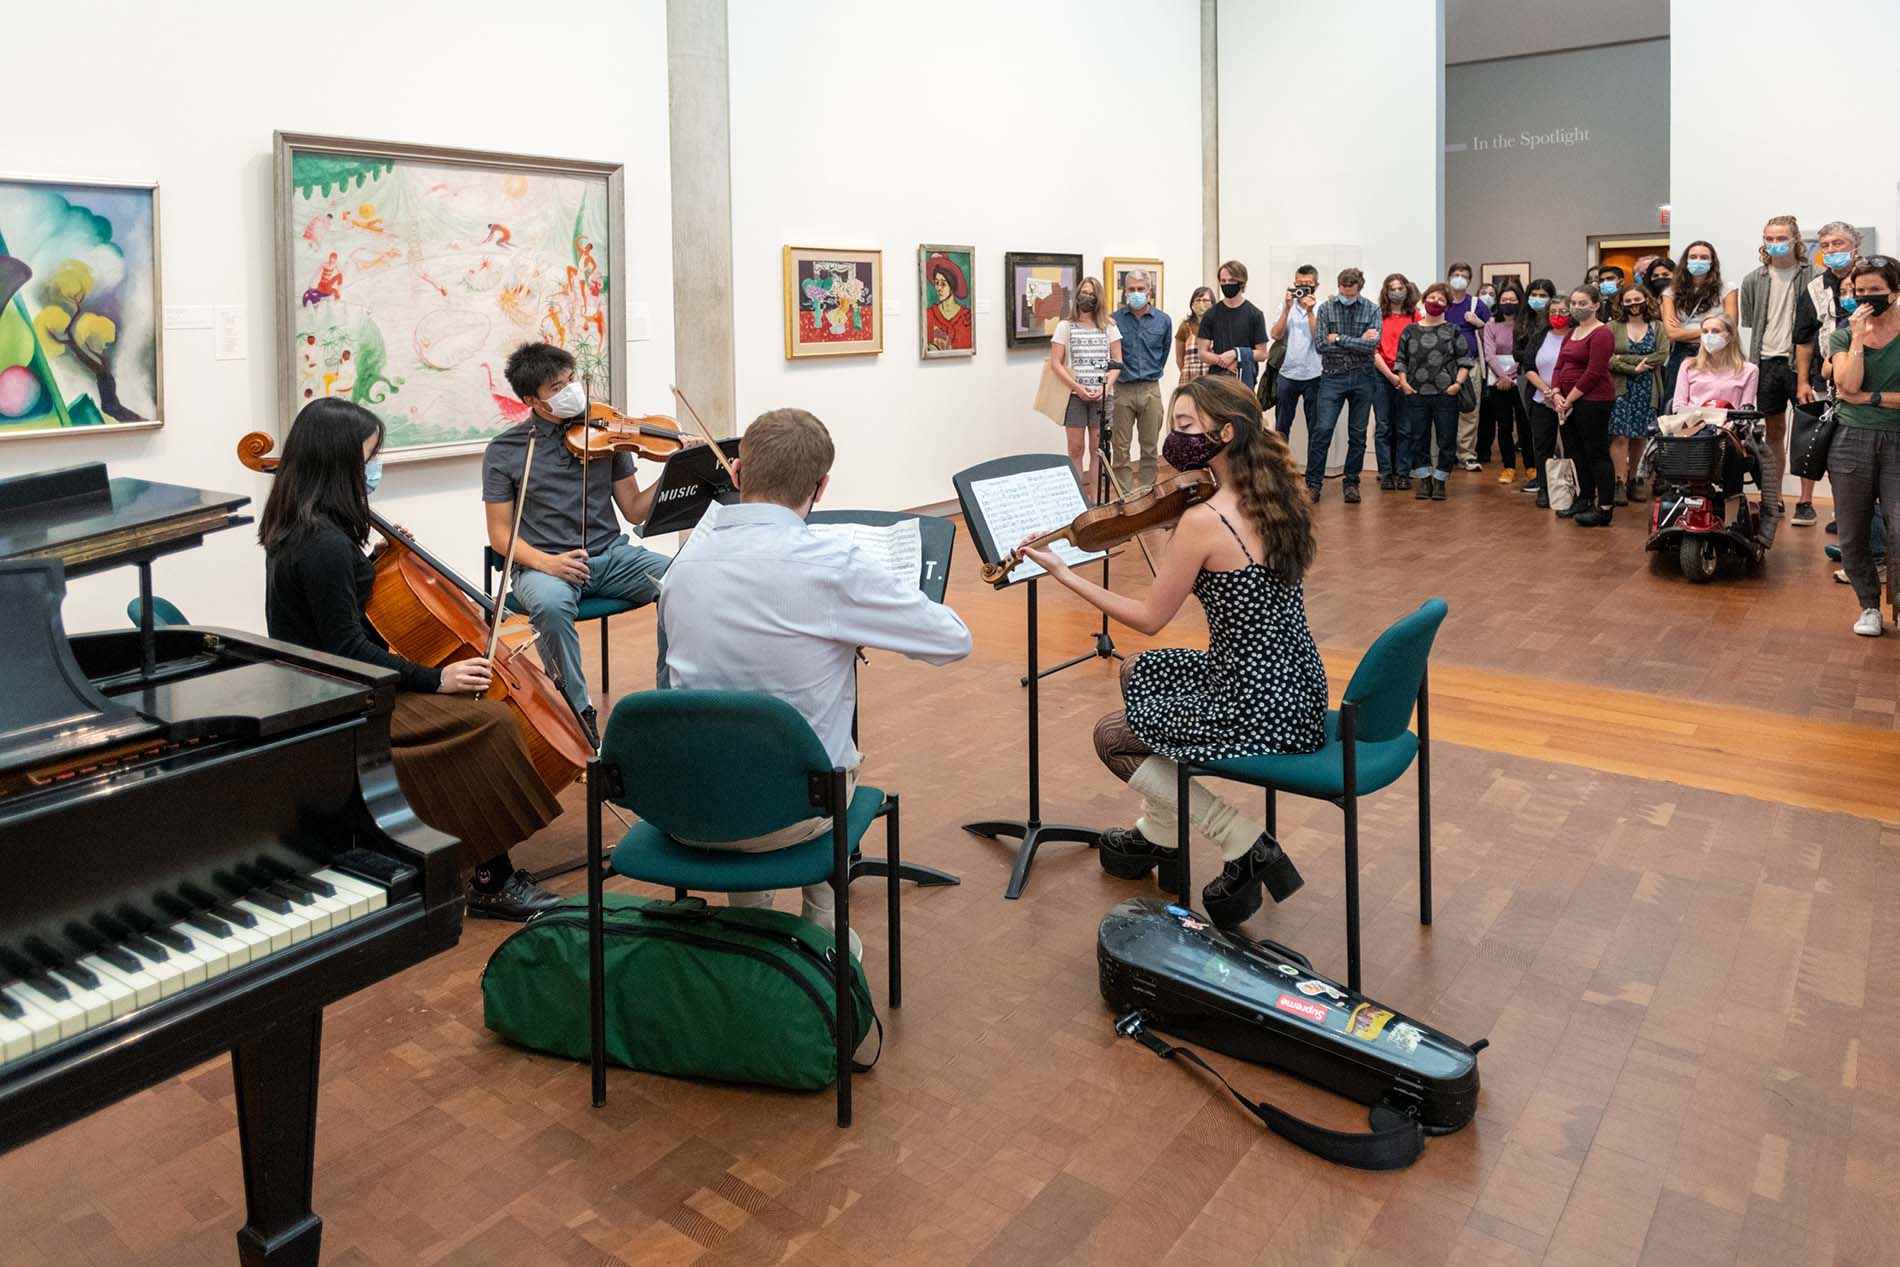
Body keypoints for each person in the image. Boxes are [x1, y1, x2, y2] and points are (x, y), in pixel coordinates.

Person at [1023, 376, 1324, 928]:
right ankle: (1161, 832)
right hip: (1296, 683)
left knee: (1114, 737)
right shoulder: (1277, 495)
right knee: (1139, 673)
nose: (1172, 440)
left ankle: (1244, 842)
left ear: (1225, 433)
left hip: (1253, 697)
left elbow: (1148, 618)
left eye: (1185, 427)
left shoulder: (1204, 520)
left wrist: (1066, 573)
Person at [659, 408, 972, 935]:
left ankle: (752, 926)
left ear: (735, 474)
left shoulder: (680, 570)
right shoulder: (834, 566)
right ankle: (826, 930)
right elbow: (952, 640)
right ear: (822, 487)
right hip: (790, 813)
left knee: (745, 731)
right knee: (819, 757)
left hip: (687, 805)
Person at [263, 398, 564, 921]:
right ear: (337, 465)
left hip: (335, 682)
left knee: (482, 710)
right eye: (368, 459)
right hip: (342, 697)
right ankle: (490, 880)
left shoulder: (308, 526)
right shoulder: (323, 545)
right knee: (488, 721)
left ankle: (471, 855)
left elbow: (344, 617)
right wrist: (435, 678)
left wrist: (379, 559)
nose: (375, 468)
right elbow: (346, 648)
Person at [483, 343, 678, 734]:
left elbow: (635, 510)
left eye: (571, 380)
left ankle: (670, 698)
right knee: (551, 608)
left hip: (612, 557)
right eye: (556, 387)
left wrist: (674, 467)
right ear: (530, 400)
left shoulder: (605, 433)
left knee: (683, 580)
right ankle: (577, 712)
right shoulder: (504, 452)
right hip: (545, 565)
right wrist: (547, 563)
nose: (572, 390)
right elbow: (500, 534)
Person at [1828, 256, 1900, 637]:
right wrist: (1857, 337)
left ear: (1895, 290)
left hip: (1897, 440)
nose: (1868, 298)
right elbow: (1847, 386)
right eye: (1860, 291)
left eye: (1876, 290)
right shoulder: (1843, 335)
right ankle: (1869, 605)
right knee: (1853, 532)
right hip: (1851, 440)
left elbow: (1858, 394)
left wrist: (1872, 398)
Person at [1737, 215, 1812, 538]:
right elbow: (1752, 322)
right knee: (1773, 433)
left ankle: (1806, 501)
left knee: (1809, 433)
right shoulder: (1754, 279)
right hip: (1766, 362)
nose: (1774, 243)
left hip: (1802, 364)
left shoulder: (1815, 276)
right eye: (1769, 237)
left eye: (1781, 237)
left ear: (1796, 239)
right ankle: (1775, 497)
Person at [1794, 222, 1865, 519]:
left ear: (1855, 247)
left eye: (1838, 243)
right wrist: (1801, 382)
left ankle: (1852, 514)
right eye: (1825, 246)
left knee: (1856, 446)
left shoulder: (1873, 279)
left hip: (1865, 377)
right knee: (1821, 442)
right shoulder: (1814, 287)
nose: (1831, 250)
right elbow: (1803, 338)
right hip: (1824, 376)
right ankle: (1808, 502)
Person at [1395, 281, 1474, 501]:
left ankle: (1440, 480)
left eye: (1440, 299)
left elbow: (1465, 360)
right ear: (1424, 299)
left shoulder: (1452, 330)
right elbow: (1401, 359)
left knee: (1446, 439)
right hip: (1416, 393)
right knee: (1418, 438)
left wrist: (1457, 384)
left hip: (1445, 394)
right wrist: (1404, 383)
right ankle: (1424, 480)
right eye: (1432, 297)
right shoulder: (1410, 330)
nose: (1435, 302)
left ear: (1447, 305)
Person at [1310, 267, 1382, 503]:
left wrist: (1339, 338)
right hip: (1333, 376)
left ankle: (1352, 482)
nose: (1346, 296)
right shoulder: (1326, 308)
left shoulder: (1372, 309)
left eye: (1350, 293)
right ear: (1339, 286)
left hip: (1364, 376)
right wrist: (1358, 340)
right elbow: (1321, 344)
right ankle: (1313, 483)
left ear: (1358, 289)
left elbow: (1371, 347)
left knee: (1358, 434)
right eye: (1343, 291)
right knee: (1322, 430)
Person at [1671, 313, 1760, 501]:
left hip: (1728, 431)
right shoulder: (1688, 366)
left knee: (1727, 448)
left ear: (1730, 335)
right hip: (1692, 428)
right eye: (1705, 331)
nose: (1709, 335)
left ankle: (1732, 511)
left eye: (1716, 331)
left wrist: (1726, 424)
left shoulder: (1748, 370)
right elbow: (1678, 406)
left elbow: (1745, 410)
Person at [1049, 275, 1121, 495]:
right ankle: (1077, 499)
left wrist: (1105, 388)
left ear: (1097, 298)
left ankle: (1097, 500)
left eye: (1091, 294)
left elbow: (1117, 362)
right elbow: (1055, 363)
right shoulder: (1065, 326)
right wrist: (1077, 388)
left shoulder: (1109, 326)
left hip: (1102, 396)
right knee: (1075, 448)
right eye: (1083, 292)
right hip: (1074, 397)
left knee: (1097, 450)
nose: (1086, 297)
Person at [1552, 286, 1618, 526]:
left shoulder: (1602, 334)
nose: (1577, 308)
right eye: (1574, 303)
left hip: (1593, 401)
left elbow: (1595, 371)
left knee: (1596, 453)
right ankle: (1584, 498)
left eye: (1583, 303)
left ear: (1596, 305)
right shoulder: (1572, 333)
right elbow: (1559, 366)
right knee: (1575, 452)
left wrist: (1569, 399)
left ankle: (1605, 507)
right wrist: (1557, 393)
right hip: (1567, 402)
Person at [1110, 269, 1171, 492]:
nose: (1136, 293)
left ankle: (1146, 494)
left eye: (1140, 289)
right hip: (1122, 390)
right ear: (1125, 291)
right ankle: (1124, 497)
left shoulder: (1163, 321)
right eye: (1131, 289)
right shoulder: (1113, 320)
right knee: (1120, 448)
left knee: (1149, 447)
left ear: (1149, 290)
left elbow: (1163, 354)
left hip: (1150, 389)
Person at [1661, 241, 1737, 418]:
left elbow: (1730, 327)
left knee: (1716, 404)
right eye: (1693, 257)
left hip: (1718, 353)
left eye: (1704, 257)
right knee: (1675, 407)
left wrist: (1686, 332)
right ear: (1685, 261)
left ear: (1712, 262)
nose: (1698, 261)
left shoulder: (1727, 289)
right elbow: (1672, 334)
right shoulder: (1670, 292)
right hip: (1681, 354)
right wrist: (1712, 328)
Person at [1608, 283, 1667, 504]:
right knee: (1620, 435)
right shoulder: (1612, 327)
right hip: (1620, 387)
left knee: (1640, 436)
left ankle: (1636, 480)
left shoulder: (1657, 326)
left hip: (1648, 387)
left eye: (1637, 300)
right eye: (1628, 301)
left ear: (1646, 301)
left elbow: (1661, 355)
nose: (1634, 304)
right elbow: (1607, 358)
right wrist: (1633, 366)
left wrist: (1623, 359)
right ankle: (1619, 482)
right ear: (1621, 304)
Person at [1371, 273, 1420, 489]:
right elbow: (1373, 350)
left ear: (1407, 290)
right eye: (1392, 288)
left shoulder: (1416, 317)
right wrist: (1391, 376)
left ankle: (1403, 472)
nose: (1396, 292)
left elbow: (1420, 348)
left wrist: (1402, 376)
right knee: (1383, 425)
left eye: (1400, 288)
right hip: (1382, 375)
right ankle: (1385, 472)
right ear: (1385, 291)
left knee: (1405, 427)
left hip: (1408, 377)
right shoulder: (1377, 316)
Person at [1515, 278, 1561, 504]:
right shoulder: (1538, 335)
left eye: (1563, 311)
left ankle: (1572, 488)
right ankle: (1544, 488)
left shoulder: (1578, 335)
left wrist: (1561, 393)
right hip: (1540, 395)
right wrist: (1547, 390)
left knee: (1571, 446)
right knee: (1541, 443)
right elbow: (1528, 363)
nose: (1558, 315)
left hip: (1570, 398)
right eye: (1554, 312)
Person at [1269, 264, 1324, 453]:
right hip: (1287, 373)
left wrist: (1310, 311)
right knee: (1281, 427)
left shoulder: (1322, 307)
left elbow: (1320, 340)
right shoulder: (1285, 306)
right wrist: (1286, 308)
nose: (1304, 288)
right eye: (1299, 284)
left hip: (1314, 374)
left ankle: (1313, 478)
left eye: (1308, 284)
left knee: (1315, 428)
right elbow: (1275, 335)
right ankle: (1280, 471)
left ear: (1317, 285)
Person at [1444, 262, 1491, 471]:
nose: (1459, 278)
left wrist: (1479, 322)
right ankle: (1445, 452)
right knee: (1443, 409)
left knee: (1470, 409)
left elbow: (1492, 332)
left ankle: (1467, 455)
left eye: (1463, 275)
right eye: (1455, 274)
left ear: (1470, 280)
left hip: (1471, 363)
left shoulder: (1476, 304)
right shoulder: (1441, 302)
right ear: (1449, 277)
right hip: (1444, 365)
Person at [1481, 285, 1530, 482]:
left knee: (1525, 425)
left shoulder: (1526, 325)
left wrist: (1511, 375)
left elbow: (1525, 353)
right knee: (1504, 425)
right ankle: (1508, 466)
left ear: (1520, 301)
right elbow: (1489, 354)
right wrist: (1503, 376)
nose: (1508, 303)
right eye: (1504, 300)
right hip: (1498, 382)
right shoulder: (1491, 325)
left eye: (1512, 299)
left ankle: (1531, 466)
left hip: (1522, 379)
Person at [1196, 259, 1269, 381]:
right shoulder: (1211, 314)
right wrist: (1223, 361)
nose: (1226, 284)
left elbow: (1262, 354)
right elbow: (1202, 353)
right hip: (1217, 378)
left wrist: (1236, 354)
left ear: (1241, 283)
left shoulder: (1255, 314)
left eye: (1231, 281)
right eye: (1223, 281)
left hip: (1245, 377)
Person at [924, 252, 973, 353]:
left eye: (943, 284)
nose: (938, 288)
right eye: (936, 283)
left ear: (952, 286)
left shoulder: (966, 318)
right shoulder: (929, 315)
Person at [1175, 286, 1215, 384]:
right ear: (1192, 304)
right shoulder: (1185, 326)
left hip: (1213, 376)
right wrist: (1187, 372)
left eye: (1205, 300)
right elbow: (1179, 358)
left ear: (1213, 303)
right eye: (1198, 300)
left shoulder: (1219, 326)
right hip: (1190, 377)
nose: (1201, 304)